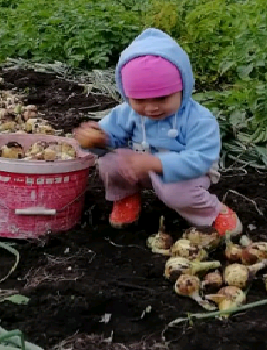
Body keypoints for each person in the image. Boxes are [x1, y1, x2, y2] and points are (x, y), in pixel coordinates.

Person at [73, 28, 242, 238]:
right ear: (127, 95)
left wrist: (157, 164)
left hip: (186, 174)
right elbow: (110, 139)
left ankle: (212, 212)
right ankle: (126, 197)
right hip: (139, 168)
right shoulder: (125, 113)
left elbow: (201, 159)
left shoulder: (199, 119)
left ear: (183, 88)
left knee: (176, 193)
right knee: (109, 162)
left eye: (162, 98)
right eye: (140, 100)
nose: (151, 108)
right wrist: (96, 138)